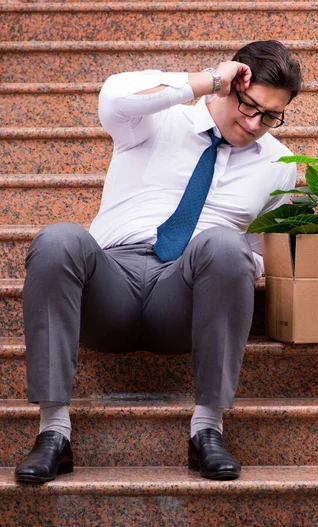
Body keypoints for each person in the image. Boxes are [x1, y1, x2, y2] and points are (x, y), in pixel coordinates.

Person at [14, 40, 302, 483]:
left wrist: (233, 265)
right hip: (111, 284)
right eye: (248, 105)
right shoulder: (155, 119)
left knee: (228, 246)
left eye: (270, 116)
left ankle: (207, 430)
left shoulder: (279, 163)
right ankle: (54, 433)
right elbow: (113, 95)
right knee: (58, 240)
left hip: (184, 297)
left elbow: (263, 249)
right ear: (229, 85)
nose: (253, 123)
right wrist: (207, 80)